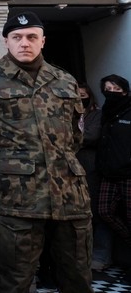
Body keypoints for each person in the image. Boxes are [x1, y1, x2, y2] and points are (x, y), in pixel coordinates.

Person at [0, 12, 92, 293]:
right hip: (19, 198)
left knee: (77, 276)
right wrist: (7, 167)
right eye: (17, 37)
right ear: (6, 41)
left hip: (70, 194)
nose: (24, 43)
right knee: (14, 278)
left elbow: (75, 134)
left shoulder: (64, 80)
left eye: (32, 37)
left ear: (42, 40)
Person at [76, 80, 113, 271]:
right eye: (77, 96)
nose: (81, 99)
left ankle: (100, 256)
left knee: (97, 213)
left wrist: (70, 136)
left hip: (91, 170)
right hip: (70, 172)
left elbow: (91, 136)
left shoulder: (96, 115)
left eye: (84, 96)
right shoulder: (67, 115)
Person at [97, 74, 131, 252]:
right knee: (104, 212)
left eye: (116, 89)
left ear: (125, 91)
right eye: (108, 89)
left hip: (128, 174)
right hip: (108, 173)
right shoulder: (104, 112)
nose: (112, 93)